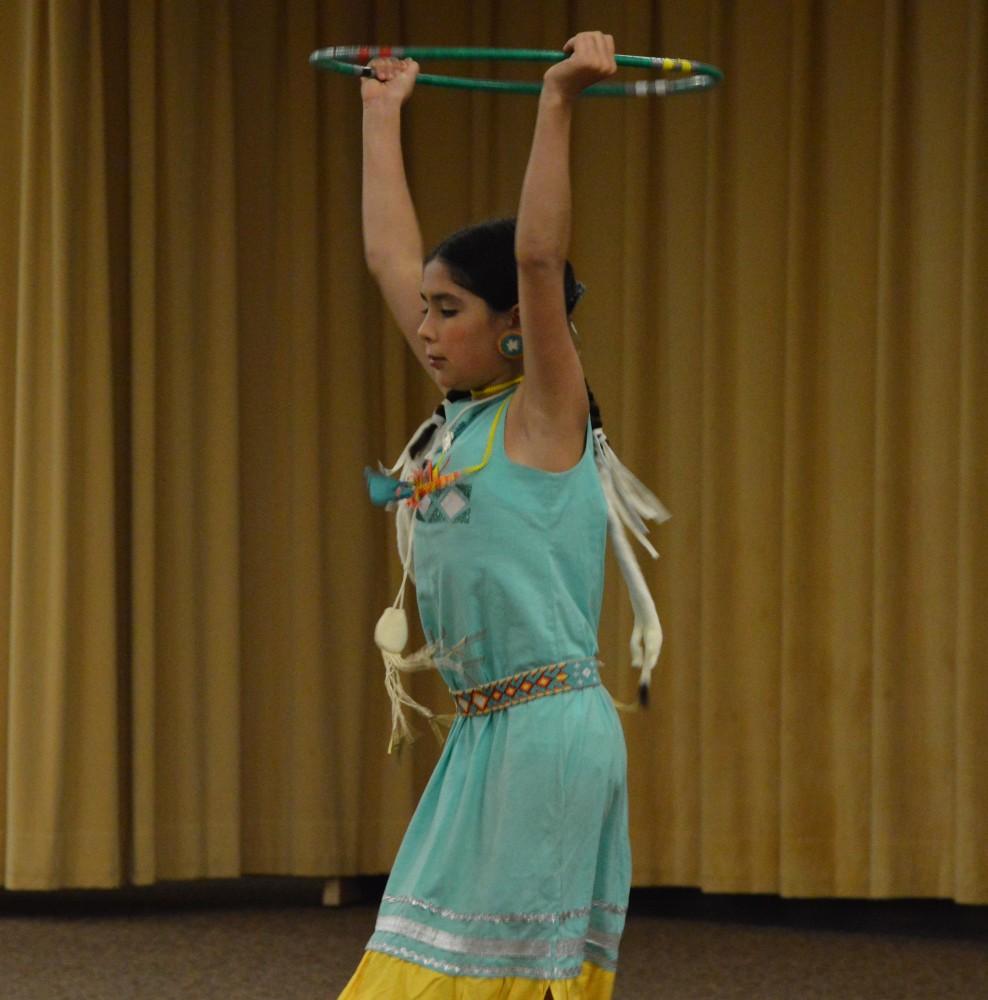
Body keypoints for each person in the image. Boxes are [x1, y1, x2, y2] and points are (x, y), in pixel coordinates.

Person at [341, 32, 647, 1000]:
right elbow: (390, 252)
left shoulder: (545, 412)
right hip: (483, 735)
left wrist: (558, 100)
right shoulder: (461, 417)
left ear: (513, 320)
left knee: (493, 985)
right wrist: (381, 111)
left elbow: (539, 254)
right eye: (423, 310)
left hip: (547, 733)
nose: (425, 329)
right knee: (418, 970)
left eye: (448, 310)